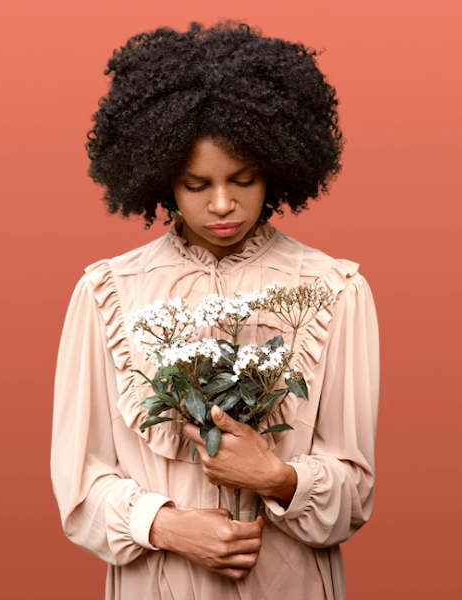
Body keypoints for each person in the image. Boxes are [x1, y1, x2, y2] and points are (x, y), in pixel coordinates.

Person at [51, 22, 379, 600]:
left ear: (277, 168)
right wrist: (166, 524)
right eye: (196, 184)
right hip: (159, 584)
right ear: (160, 182)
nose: (223, 204)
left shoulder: (334, 289)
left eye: (244, 179)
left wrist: (279, 479)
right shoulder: (107, 292)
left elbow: (353, 495)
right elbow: (80, 484)